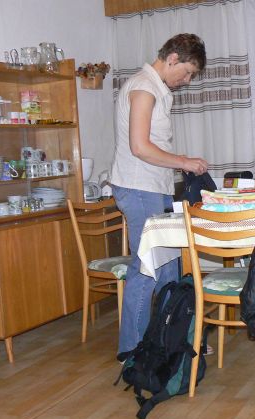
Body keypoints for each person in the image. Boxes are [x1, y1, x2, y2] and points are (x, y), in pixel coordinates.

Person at [110, 34, 209, 360]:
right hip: (139, 189)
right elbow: (139, 147)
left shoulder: (155, 88)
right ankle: (133, 352)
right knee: (147, 269)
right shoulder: (144, 87)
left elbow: (150, 146)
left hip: (153, 188)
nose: (187, 80)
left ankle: (169, 341)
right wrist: (183, 162)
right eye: (188, 72)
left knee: (168, 268)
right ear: (173, 58)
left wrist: (180, 163)